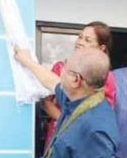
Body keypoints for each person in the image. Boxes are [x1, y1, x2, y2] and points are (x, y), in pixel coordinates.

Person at [42, 21, 116, 150]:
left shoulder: (107, 76)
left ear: (101, 47)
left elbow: (104, 111)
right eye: (80, 37)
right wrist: (66, 122)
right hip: (58, 131)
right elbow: (46, 102)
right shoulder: (60, 68)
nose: (80, 42)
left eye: (87, 40)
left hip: (86, 136)